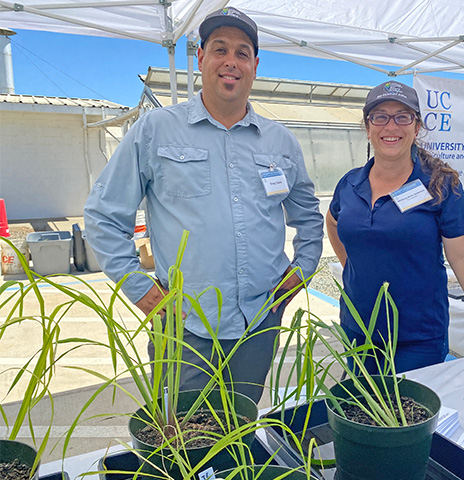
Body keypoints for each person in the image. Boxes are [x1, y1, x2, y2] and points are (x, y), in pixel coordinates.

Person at [84, 7, 324, 403]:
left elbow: (309, 218)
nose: (231, 62)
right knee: (183, 438)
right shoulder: (156, 130)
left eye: (243, 52)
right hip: (184, 328)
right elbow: (104, 215)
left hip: (258, 324)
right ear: (200, 59)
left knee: (241, 430)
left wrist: (301, 271)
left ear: (255, 65)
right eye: (220, 49)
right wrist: (138, 287)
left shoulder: (281, 142)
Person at [326, 81, 464, 373]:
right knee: (364, 413)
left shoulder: (440, 183)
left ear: (417, 126)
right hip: (359, 329)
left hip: (416, 337)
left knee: (407, 415)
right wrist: (351, 266)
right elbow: (333, 222)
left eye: (402, 116)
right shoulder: (349, 183)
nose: (391, 126)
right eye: (380, 116)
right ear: (367, 127)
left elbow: (462, 255)